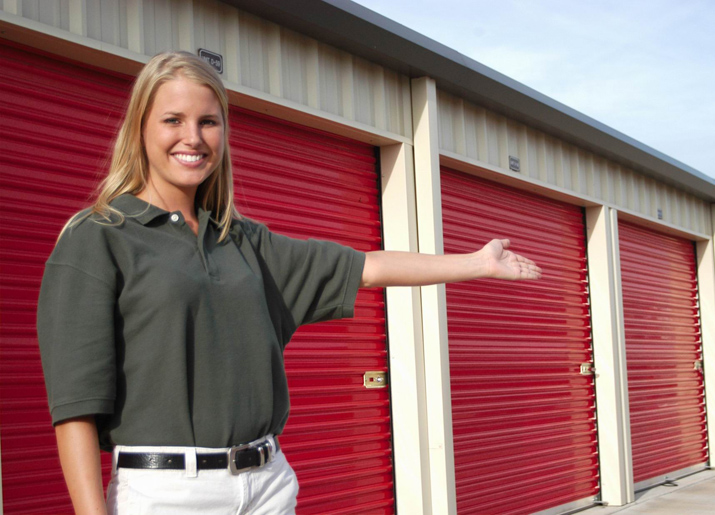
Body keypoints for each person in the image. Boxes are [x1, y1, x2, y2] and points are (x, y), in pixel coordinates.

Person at [37, 50, 541, 515]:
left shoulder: (243, 241)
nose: (192, 137)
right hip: (167, 495)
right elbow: (75, 408)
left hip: (267, 486)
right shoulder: (99, 237)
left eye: (208, 122)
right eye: (173, 120)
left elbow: (368, 267)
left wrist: (474, 263)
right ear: (140, 128)